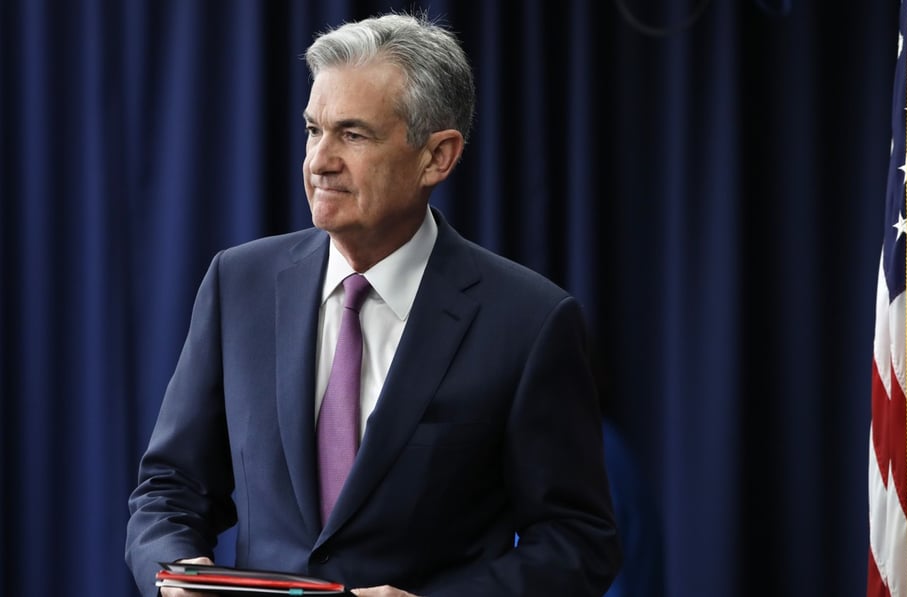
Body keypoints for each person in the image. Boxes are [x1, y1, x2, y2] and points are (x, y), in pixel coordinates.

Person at [125, 11, 622, 597]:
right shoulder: (240, 284)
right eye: (313, 130)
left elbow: (577, 540)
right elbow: (171, 485)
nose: (319, 161)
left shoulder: (530, 321)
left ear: (437, 156)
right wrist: (178, 572)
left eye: (352, 134)